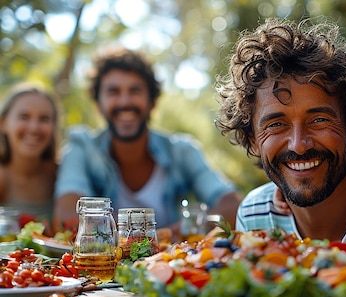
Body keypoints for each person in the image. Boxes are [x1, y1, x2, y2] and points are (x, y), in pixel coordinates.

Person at [214, 18, 346, 252]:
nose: (299, 145)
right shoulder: (255, 215)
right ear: (254, 140)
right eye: (276, 125)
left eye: (319, 120)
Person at [53, 46, 242, 237]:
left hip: (173, 264)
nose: (124, 101)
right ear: (98, 103)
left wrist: (181, 231)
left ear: (152, 101)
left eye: (135, 91)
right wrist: (146, 241)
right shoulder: (81, 147)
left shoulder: (181, 151)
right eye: (113, 92)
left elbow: (233, 204)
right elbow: (67, 218)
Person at [0, 82, 60, 233]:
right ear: (4, 123)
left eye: (44, 119)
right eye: (24, 117)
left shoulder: (61, 176)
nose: (34, 128)